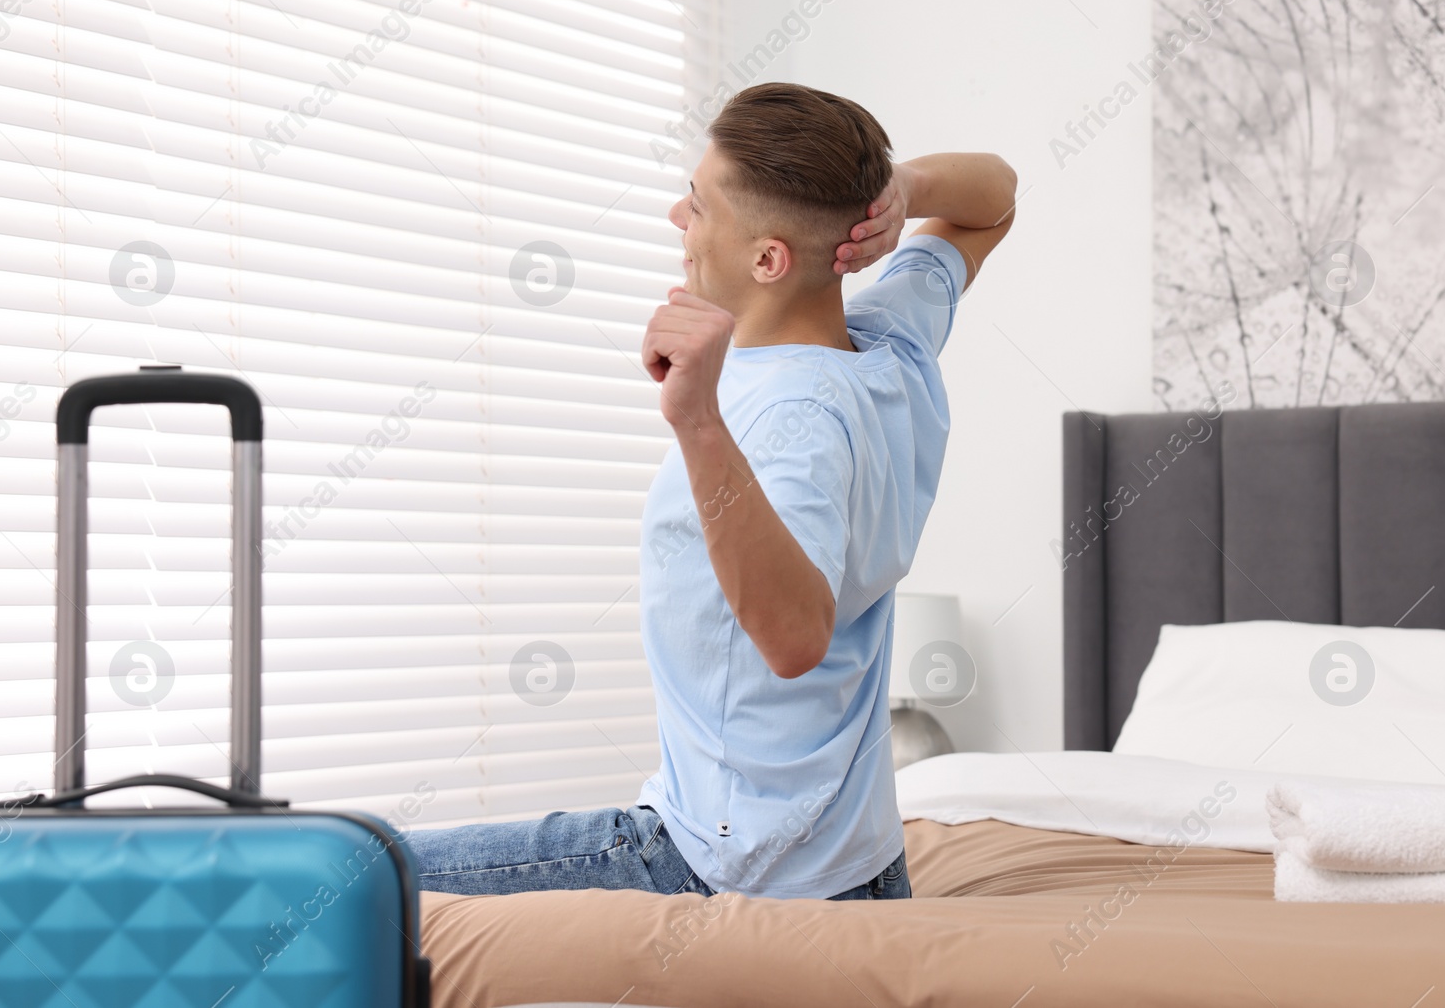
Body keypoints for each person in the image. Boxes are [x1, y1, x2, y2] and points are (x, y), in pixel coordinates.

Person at [407, 82, 1017, 901]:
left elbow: (797, 635)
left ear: (768, 259)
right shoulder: (888, 342)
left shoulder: (791, 420)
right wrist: (903, 190)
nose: (676, 219)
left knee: (332, 879)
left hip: (735, 870)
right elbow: (995, 199)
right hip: (857, 862)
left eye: (697, 207)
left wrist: (697, 422)